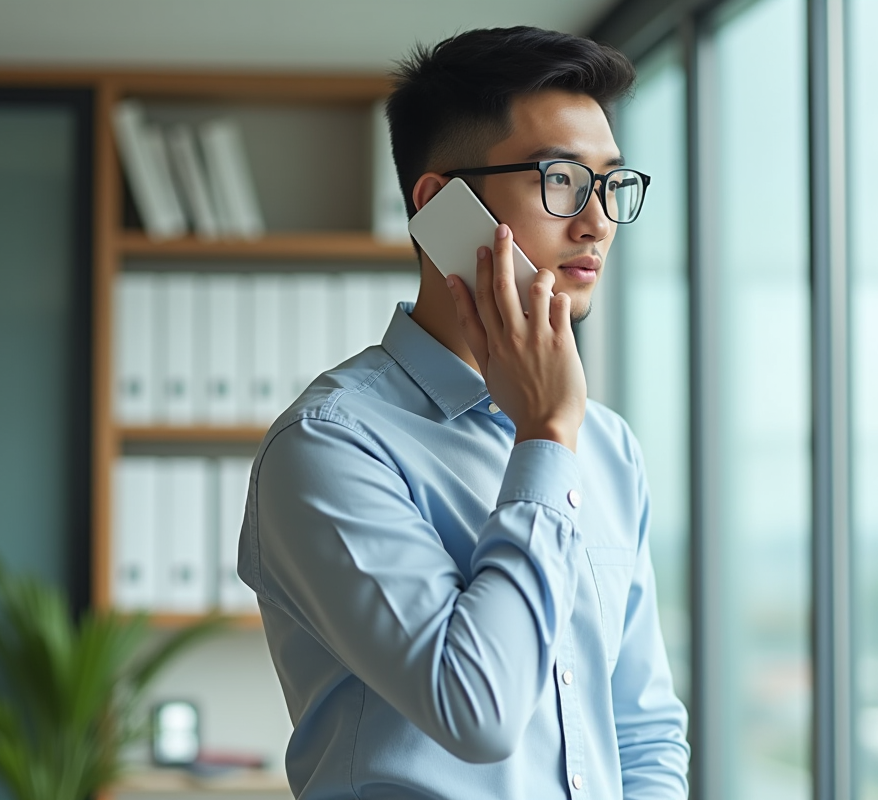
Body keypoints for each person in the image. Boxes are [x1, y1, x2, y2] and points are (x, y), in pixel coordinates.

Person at [237, 25, 690, 799]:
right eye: (560, 180)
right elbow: (475, 710)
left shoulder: (607, 444)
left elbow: (642, 731)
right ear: (440, 205)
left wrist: (556, 431)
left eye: (610, 183)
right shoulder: (330, 447)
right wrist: (543, 438)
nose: (596, 221)